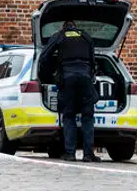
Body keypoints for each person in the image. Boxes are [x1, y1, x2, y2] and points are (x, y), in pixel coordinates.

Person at [38, 19, 100, 162]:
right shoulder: (85, 36)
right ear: (75, 27)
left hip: (68, 78)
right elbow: (93, 60)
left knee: (69, 115)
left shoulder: (60, 35)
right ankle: (88, 154)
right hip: (85, 78)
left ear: (63, 27)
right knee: (88, 116)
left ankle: (70, 153)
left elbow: (44, 56)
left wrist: (51, 69)